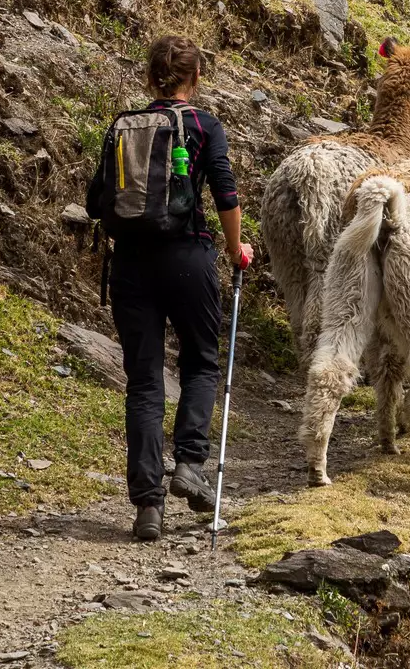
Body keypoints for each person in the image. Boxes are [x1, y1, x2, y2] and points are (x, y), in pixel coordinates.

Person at [85, 35, 254, 542]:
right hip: (188, 258)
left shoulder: (122, 126)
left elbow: (97, 200)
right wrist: (236, 247)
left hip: (132, 265)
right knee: (201, 361)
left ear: (149, 77)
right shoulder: (204, 125)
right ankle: (189, 465)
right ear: (194, 77)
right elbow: (224, 191)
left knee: (144, 381)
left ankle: (147, 509)